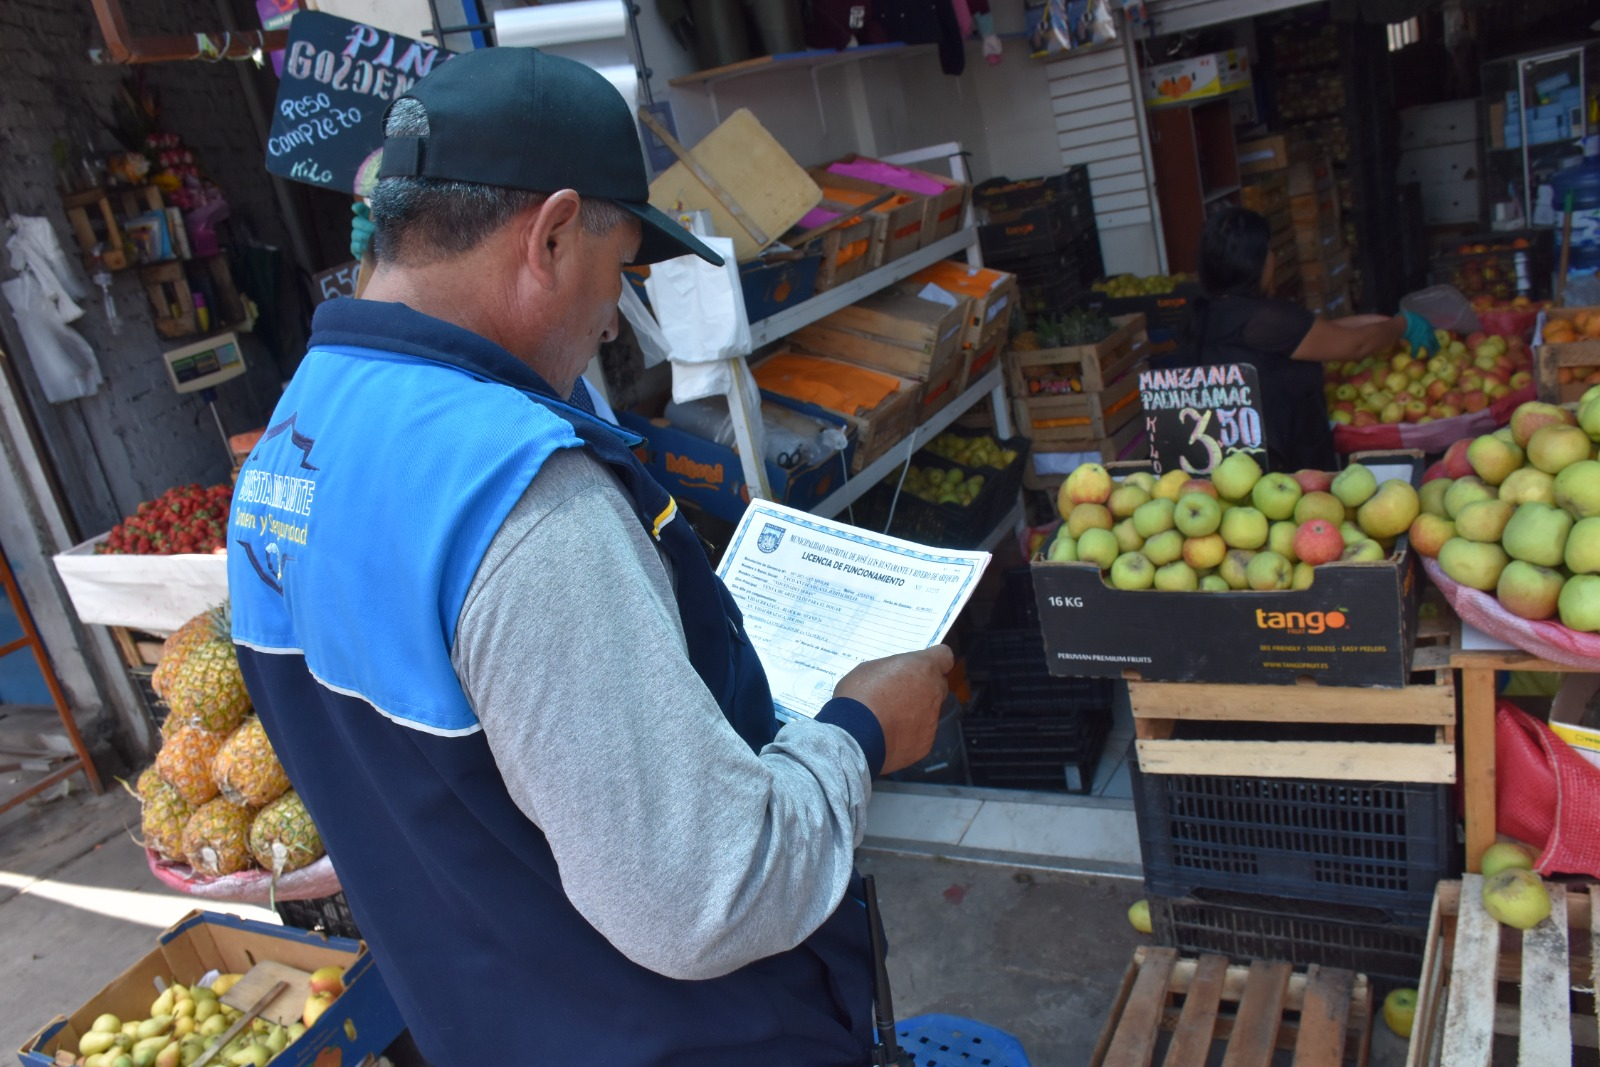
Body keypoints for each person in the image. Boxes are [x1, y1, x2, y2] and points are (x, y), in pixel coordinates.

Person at [228, 47, 952, 1066]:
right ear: (554, 234)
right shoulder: (517, 491)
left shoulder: (290, 442)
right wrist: (861, 729)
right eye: (619, 272)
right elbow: (706, 892)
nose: (615, 316)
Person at [1180, 206, 1440, 472]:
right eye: (1269, 251)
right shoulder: (1264, 318)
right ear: (1255, 261)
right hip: (1284, 470)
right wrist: (1402, 325)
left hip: (1232, 470)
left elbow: (1321, 334)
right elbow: (1355, 345)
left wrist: (1385, 322)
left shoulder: (1207, 315)